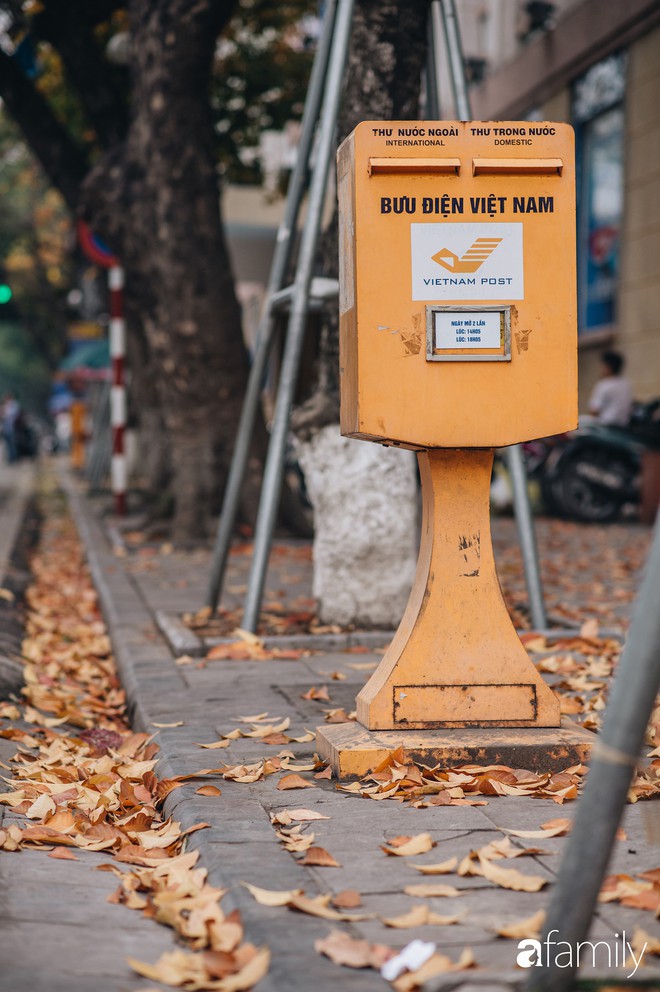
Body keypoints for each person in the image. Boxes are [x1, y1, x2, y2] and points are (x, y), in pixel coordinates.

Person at [588, 350, 633, 427]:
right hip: (623, 426)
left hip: (605, 426)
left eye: (602, 366)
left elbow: (594, 411)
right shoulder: (626, 384)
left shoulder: (604, 384)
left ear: (608, 367)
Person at [1, 393, 19, 463]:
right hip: (6, 428)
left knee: (11, 444)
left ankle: (13, 458)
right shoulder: (7, 406)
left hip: (11, 427)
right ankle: (10, 458)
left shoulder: (12, 405)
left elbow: (9, 415)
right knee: (8, 444)